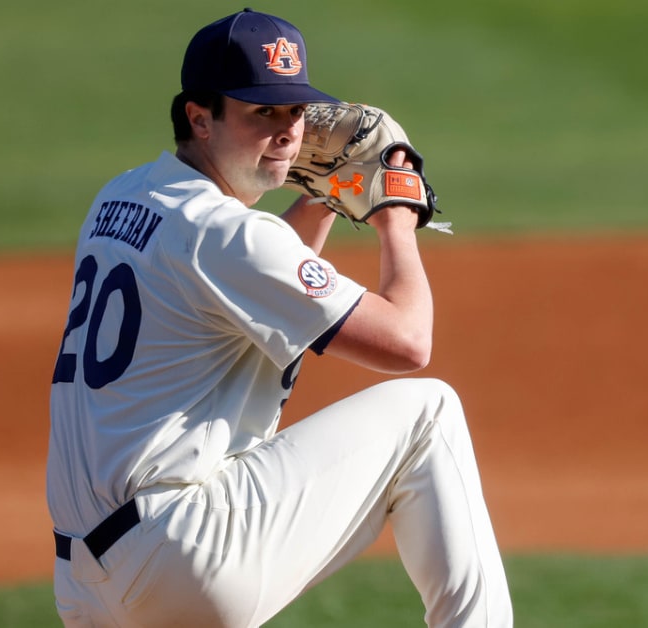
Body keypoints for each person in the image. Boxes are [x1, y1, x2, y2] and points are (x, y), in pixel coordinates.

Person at [46, 8, 513, 627]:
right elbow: (407, 342)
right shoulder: (227, 234)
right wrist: (395, 217)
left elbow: (248, 283)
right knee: (430, 412)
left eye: (294, 111)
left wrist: (323, 196)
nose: (288, 132)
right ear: (200, 117)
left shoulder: (124, 195)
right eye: (261, 112)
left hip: (84, 584)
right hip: (185, 552)